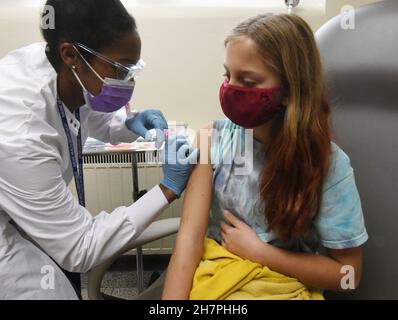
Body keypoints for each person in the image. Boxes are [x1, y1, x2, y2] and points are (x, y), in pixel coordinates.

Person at [162, 13, 368, 300]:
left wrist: (260, 252)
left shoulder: (329, 164)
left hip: (283, 288)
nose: (230, 88)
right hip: (216, 282)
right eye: (227, 75)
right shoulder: (211, 139)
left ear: (289, 90)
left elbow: (348, 274)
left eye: (247, 80)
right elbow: (189, 239)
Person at [0, 0, 197, 300]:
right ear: (71, 55)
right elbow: (80, 248)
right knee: (52, 293)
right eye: (120, 69)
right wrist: (166, 190)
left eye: (132, 70)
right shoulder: (21, 131)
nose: (127, 81)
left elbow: (87, 111)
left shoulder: (62, 68)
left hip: (21, 206)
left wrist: (129, 123)